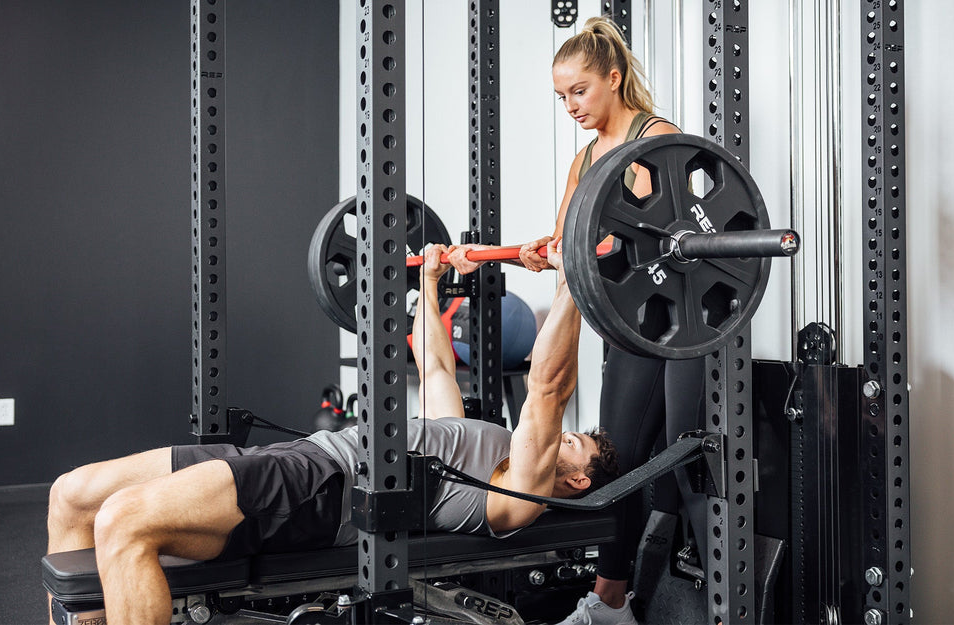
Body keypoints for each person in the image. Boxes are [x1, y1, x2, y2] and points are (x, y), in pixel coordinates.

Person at [45, 241, 619, 625]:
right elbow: (436, 366)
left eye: (575, 444)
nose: (564, 436)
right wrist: (435, 281)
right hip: (297, 459)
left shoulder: (514, 497)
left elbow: (547, 390)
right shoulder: (479, 436)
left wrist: (572, 278)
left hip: (320, 489)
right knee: (71, 493)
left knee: (123, 522)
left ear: (570, 477)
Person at [447, 17, 706, 625]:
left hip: (686, 324)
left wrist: (586, 248)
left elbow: (657, 235)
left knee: (689, 460)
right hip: (633, 328)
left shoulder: (655, 139)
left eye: (580, 91)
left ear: (613, 79)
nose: (571, 106)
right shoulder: (587, 156)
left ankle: (721, 600)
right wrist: (545, 252)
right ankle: (611, 601)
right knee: (618, 459)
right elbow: (575, 243)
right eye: (561, 97)